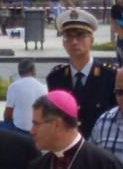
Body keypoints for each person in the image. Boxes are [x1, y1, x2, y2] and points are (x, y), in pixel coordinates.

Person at [46, 9, 117, 139]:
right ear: (63, 42)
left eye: (80, 35)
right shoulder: (56, 78)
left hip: (99, 146)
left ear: (92, 40)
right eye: (68, 36)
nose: (74, 42)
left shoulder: (109, 76)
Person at [3, 59, 47, 132]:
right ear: (34, 71)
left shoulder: (13, 86)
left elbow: (7, 115)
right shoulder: (44, 87)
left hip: (18, 129)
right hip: (38, 129)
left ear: (19, 72)